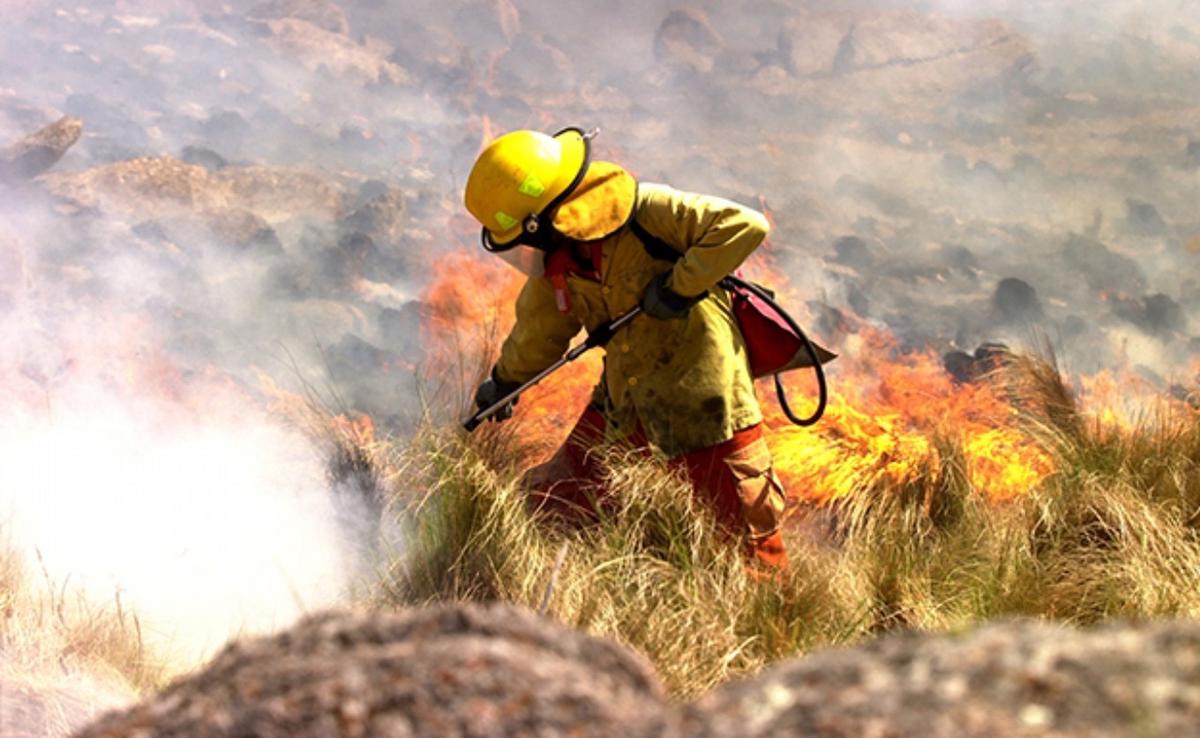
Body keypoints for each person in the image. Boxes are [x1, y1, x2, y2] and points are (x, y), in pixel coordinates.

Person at [463, 126, 788, 570]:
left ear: (540, 223)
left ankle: (769, 614)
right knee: (553, 504)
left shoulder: (645, 212)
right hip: (625, 406)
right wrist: (504, 382)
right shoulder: (559, 262)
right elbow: (540, 331)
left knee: (745, 550)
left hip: (706, 409)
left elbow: (744, 225)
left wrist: (678, 288)